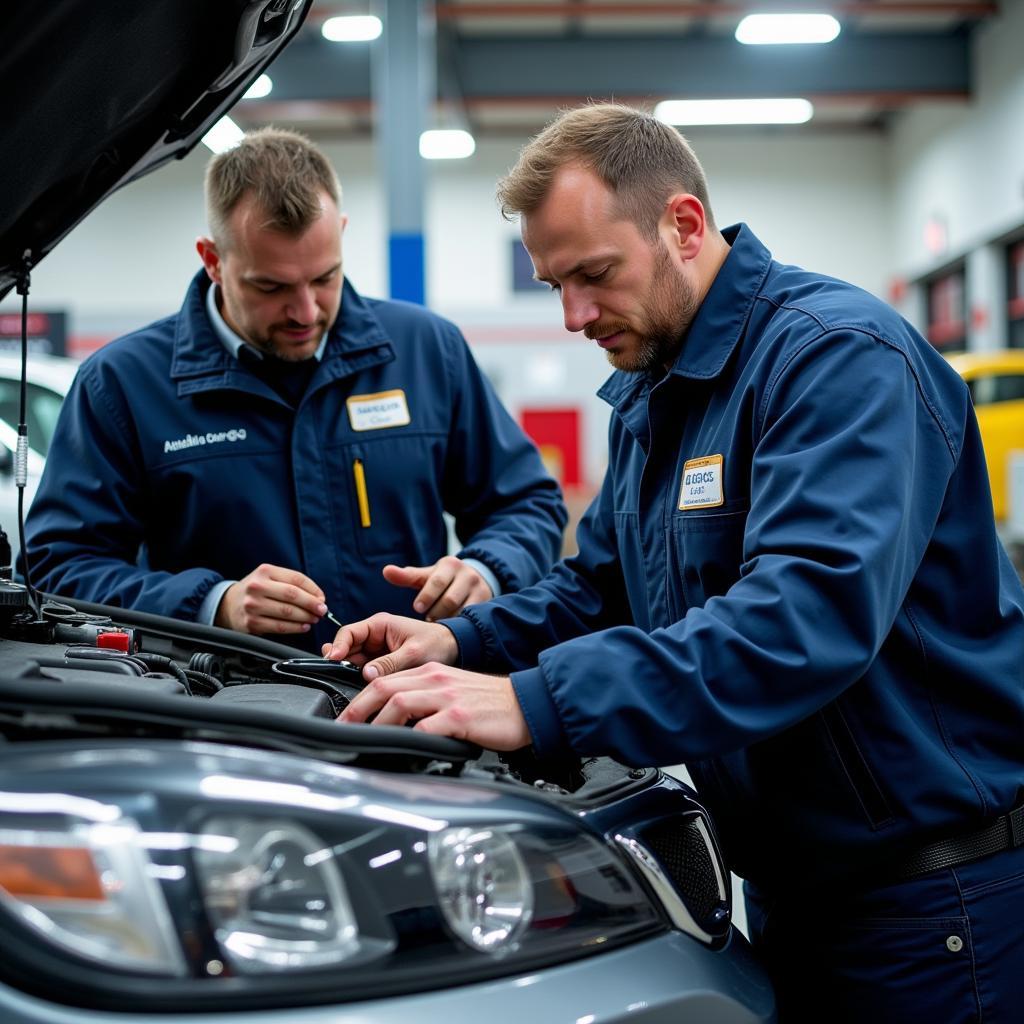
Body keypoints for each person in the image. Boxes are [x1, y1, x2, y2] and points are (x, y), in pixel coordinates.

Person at [325, 104, 1024, 1019]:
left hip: (932, 905)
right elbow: (600, 587)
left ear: (684, 226)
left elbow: (799, 620)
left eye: (594, 275)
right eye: (553, 285)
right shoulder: (659, 394)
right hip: (795, 891)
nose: (574, 315)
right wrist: (456, 646)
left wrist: (539, 702)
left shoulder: (836, 359)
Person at [24, 127, 566, 652]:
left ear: (342, 234)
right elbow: (59, 566)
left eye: (325, 277)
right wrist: (213, 604)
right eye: (271, 286)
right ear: (213, 259)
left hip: (405, 700)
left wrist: (486, 569)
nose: (306, 311)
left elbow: (524, 502)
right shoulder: (124, 383)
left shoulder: (426, 350)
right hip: (219, 709)